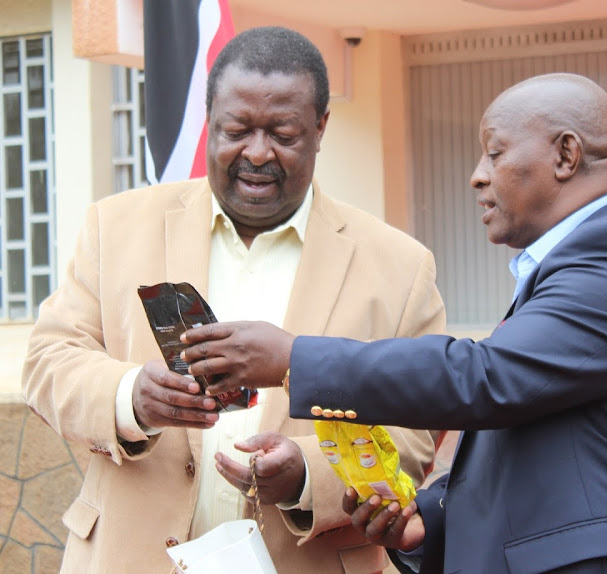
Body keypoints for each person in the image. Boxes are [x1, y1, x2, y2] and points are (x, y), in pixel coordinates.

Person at [179, 73, 607, 573]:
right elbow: (536, 442)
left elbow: (486, 378)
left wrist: (296, 358)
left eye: (495, 153)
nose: (477, 177)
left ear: (566, 154)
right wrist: (427, 525)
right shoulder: (575, 266)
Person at [22, 26, 446, 574]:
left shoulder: (401, 266)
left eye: (283, 134)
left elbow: (416, 429)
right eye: (237, 129)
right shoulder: (115, 225)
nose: (257, 152)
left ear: (320, 128)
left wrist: (308, 475)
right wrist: (131, 397)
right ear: (208, 120)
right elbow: (47, 362)